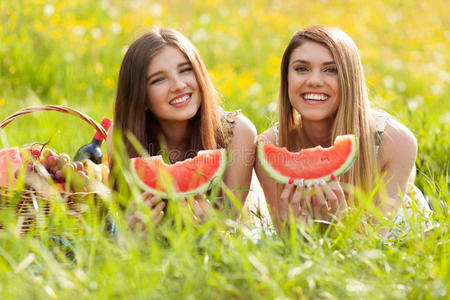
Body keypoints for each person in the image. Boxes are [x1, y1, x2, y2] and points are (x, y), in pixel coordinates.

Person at [255, 25, 429, 235]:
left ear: (351, 78)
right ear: (286, 78)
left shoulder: (395, 143)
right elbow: (287, 245)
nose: (315, 81)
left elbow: (374, 248)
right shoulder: (268, 147)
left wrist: (342, 229)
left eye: (331, 70)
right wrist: (297, 234)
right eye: (301, 68)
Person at [110, 28, 256, 229]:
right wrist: (130, 237)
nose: (178, 85)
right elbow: (114, 221)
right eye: (158, 79)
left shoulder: (237, 131)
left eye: (185, 70)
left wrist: (214, 228)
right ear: (141, 97)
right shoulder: (121, 137)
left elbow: (230, 228)